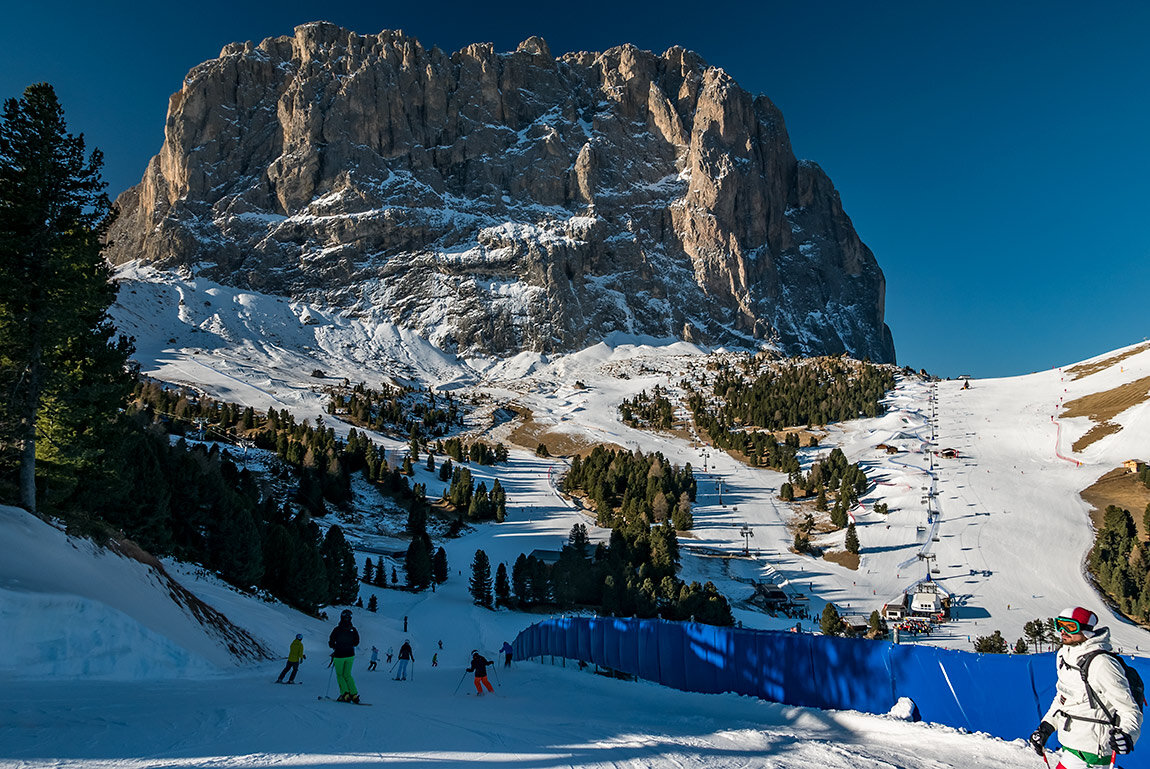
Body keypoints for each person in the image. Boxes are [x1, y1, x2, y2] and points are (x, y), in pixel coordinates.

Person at [1029, 607, 1142, 768]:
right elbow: (1063, 697)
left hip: (1093, 752)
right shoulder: (1063, 655)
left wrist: (1127, 735)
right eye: (1059, 624)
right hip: (1072, 745)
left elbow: (1130, 710)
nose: (1063, 631)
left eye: (1070, 627)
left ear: (1087, 630)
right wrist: (1046, 726)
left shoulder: (1102, 664)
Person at [328, 609, 360, 703]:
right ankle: (354, 694)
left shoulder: (337, 629)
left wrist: (335, 647)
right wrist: (349, 645)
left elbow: (331, 642)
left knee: (340, 675)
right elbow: (357, 642)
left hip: (339, 655)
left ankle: (345, 694)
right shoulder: (353, 629)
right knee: (348, 675)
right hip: (350, 654)